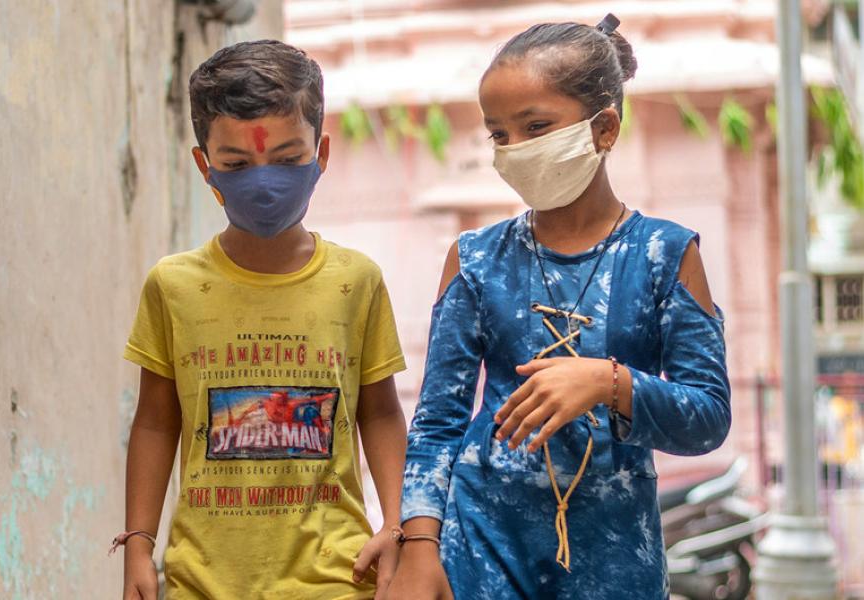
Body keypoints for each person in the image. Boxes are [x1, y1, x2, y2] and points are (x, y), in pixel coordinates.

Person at [388, 15, 731, 600]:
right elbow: (437, 422)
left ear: (604, 130)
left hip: (618, 556)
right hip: (480, 548)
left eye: (536, 126)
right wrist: (418, 544)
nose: (515, 150)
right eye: (499, 134)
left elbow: (708, 419)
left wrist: (608, 382)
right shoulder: (474, 259)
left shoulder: (664, 254)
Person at [116, 40, 408, 599]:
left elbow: (381, 414)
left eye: (287, 158)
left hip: (337, 580)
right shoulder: (173, 287)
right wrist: (137, 544)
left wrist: (397, 528)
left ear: (321, 155)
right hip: (203, 581)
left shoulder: (356, 282)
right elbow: (155, 422)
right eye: (237, 164)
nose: (265, 181)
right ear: (205, 166)